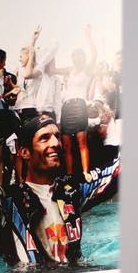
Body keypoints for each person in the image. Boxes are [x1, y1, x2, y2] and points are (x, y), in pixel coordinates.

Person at [0, 60, 119, 267]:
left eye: (56, 136)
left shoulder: (72, 190)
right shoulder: (7, 201)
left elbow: (120, 172)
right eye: (44, 138)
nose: (55, 143)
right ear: (24, 152)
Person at [48, 25, 96, 175]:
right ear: (73, 58)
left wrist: (88, 36)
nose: (77, 59)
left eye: (80, 57)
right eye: (75, 57)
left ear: (83, 58)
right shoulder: (69, 69)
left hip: (79, 105)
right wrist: (53, 50)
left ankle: (85, 172)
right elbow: (52, 70)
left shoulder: (87, 69)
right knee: (67, 144)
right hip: (67, 108)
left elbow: (95, 54)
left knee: (82, 141)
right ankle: (69, 175)